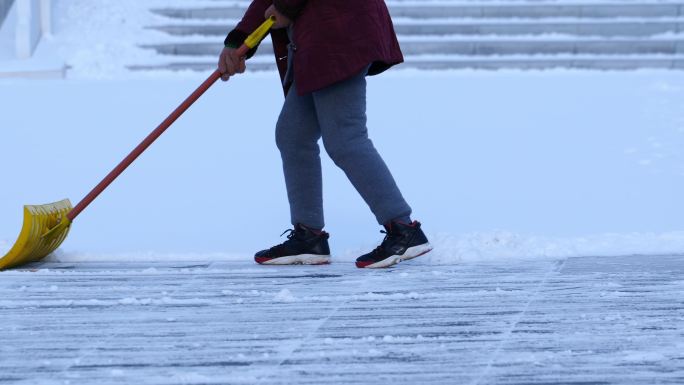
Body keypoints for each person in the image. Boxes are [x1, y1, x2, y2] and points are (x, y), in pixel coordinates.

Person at [218, 0, 432, 268]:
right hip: (318, 36)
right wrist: (237, 42)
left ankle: (403, 228)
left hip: (338, 33)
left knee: (346, 138)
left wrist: (285, 6)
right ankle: (309, 237)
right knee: (293, 136)